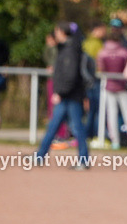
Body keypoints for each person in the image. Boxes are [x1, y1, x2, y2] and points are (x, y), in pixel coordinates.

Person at [35, 23, 90, 168]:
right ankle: (39, 156)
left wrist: (60, 92)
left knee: (77, 128)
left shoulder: (71, 50)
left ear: (62, 32)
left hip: (71, 97)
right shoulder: (66, 48)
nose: (55, 35)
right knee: (53, 126)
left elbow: (70, 75)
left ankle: (83, 160)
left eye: (57, 31)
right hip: (66, 97)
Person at [97, 21, 127, 149]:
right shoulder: (124, 52)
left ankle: (115, 141)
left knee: (111, 115)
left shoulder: (102, 52)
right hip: (122, 87)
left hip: (109, 86)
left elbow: (101, 68)